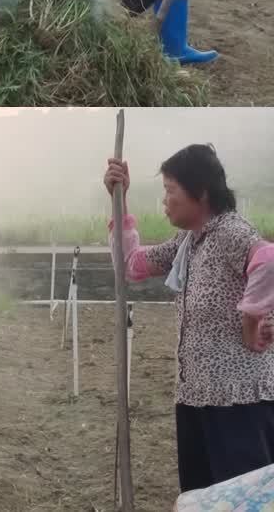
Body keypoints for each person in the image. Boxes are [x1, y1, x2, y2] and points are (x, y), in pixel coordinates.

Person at [104, 144, 274, 495]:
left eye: (170, 191)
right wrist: (119, 200)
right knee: (201, 498)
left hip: (238, 406)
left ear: (201, 193)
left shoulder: (230, 232)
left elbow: (269, 261)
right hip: (196, 399)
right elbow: (131, 264)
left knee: (241, 500)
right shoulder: (188, 240)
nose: (165, 201)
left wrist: (251, 318)